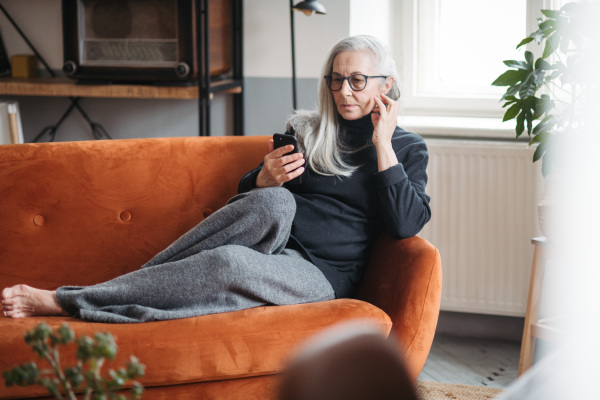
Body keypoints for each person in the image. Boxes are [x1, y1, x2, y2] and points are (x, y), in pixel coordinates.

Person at [1, 35, 431, 323]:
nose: (344, 92)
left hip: (322, 272)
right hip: (271, 237)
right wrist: (262, 177)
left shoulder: (406, 149)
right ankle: (127, 286)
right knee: (274, 201)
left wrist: (383, 142)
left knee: (227, 263)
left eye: (357, 80)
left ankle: (67, 299)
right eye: (336, 80)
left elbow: (405, 224)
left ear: (386, 85)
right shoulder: (309, 129)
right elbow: (246, 204)